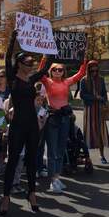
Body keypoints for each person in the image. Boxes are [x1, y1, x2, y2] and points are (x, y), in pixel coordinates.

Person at [0, 30, 53, 215]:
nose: (31, 65)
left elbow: (46, 68)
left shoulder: (32, 79)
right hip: (17, 125)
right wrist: (12, 39)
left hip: (32, 125)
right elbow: (8, 58)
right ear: (20, 64)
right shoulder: (12, 77)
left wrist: (51, 46)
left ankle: (32, 194)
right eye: (28, 62)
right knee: (13, 160)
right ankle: (6, 196)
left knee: (31, 160)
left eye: (32, 62)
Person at [40, 59, 87, 193]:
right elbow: (40, 72)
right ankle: (52, 181)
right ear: (50, 71)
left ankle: (56, 177)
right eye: (54, 69)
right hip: (52, 118)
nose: (57, 71)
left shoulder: (66, 82)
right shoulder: (47, 81)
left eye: (60, 69)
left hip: (65, 119)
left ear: (63, 71)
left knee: (61, 150)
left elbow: (80, 73)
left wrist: (84, 59)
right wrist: (44, 57)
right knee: (52, 151)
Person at [79, 60, 109, 165]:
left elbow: (104, 93)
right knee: (89, 133)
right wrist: (94, 97)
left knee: (101, 132)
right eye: (92, 71)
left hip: (100, 109)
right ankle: (87, 156)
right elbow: (82, 95)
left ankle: (102, 155)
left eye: (96, 71)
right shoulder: (84, 80)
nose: (94, 73)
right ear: (88, 70)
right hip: (89, 109)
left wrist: (106, 103)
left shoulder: (101, 79)